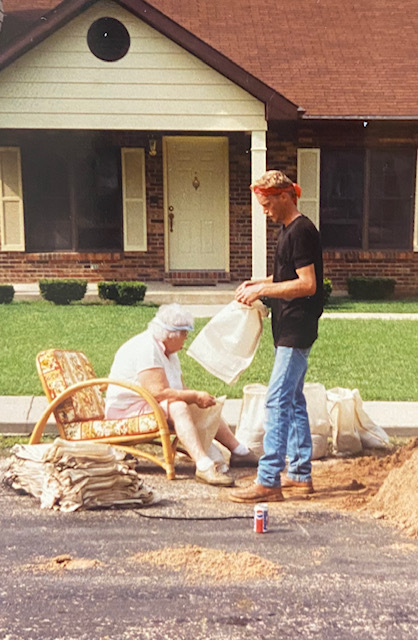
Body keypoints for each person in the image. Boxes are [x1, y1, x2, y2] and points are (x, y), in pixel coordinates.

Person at [229, 170, 324, 503]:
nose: (264, 210)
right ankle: (300, 475)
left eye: (267, 203)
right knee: (294, 400)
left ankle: (268, 479)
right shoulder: (288, 231)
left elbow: (308, 284)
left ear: (285, 196)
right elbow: (288, 275)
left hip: (297, 328)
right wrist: (259, 283)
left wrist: (266, 290)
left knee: (277, 400)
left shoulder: (302, 231)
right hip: (287, 325)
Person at [105, 303, 258, 487]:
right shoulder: (147, 348)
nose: (186, 338)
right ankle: (203, 465)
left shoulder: (169, 351)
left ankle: (239, 451)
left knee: (204, 404)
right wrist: (193, 396)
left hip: (148, 404)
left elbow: (180, 389)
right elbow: (158, 392)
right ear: (171, 334)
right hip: (127, 410)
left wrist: (198, 398)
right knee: (178, 406)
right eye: (184, 334)